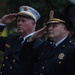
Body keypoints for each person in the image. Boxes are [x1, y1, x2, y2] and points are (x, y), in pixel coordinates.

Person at [20, 10, 75, 75]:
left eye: (54, 26)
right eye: (49, 26)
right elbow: (24, 58)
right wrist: (32, 39)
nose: (49, 28)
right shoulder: (45, 45)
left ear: (64, 29)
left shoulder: (71, 50)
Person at [0, 5, 41, 75]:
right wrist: (2, 23)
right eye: (18, 21)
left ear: (33, 24)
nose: (19, 23)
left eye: (23, 21)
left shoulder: (38, 44)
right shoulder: (12, 38)